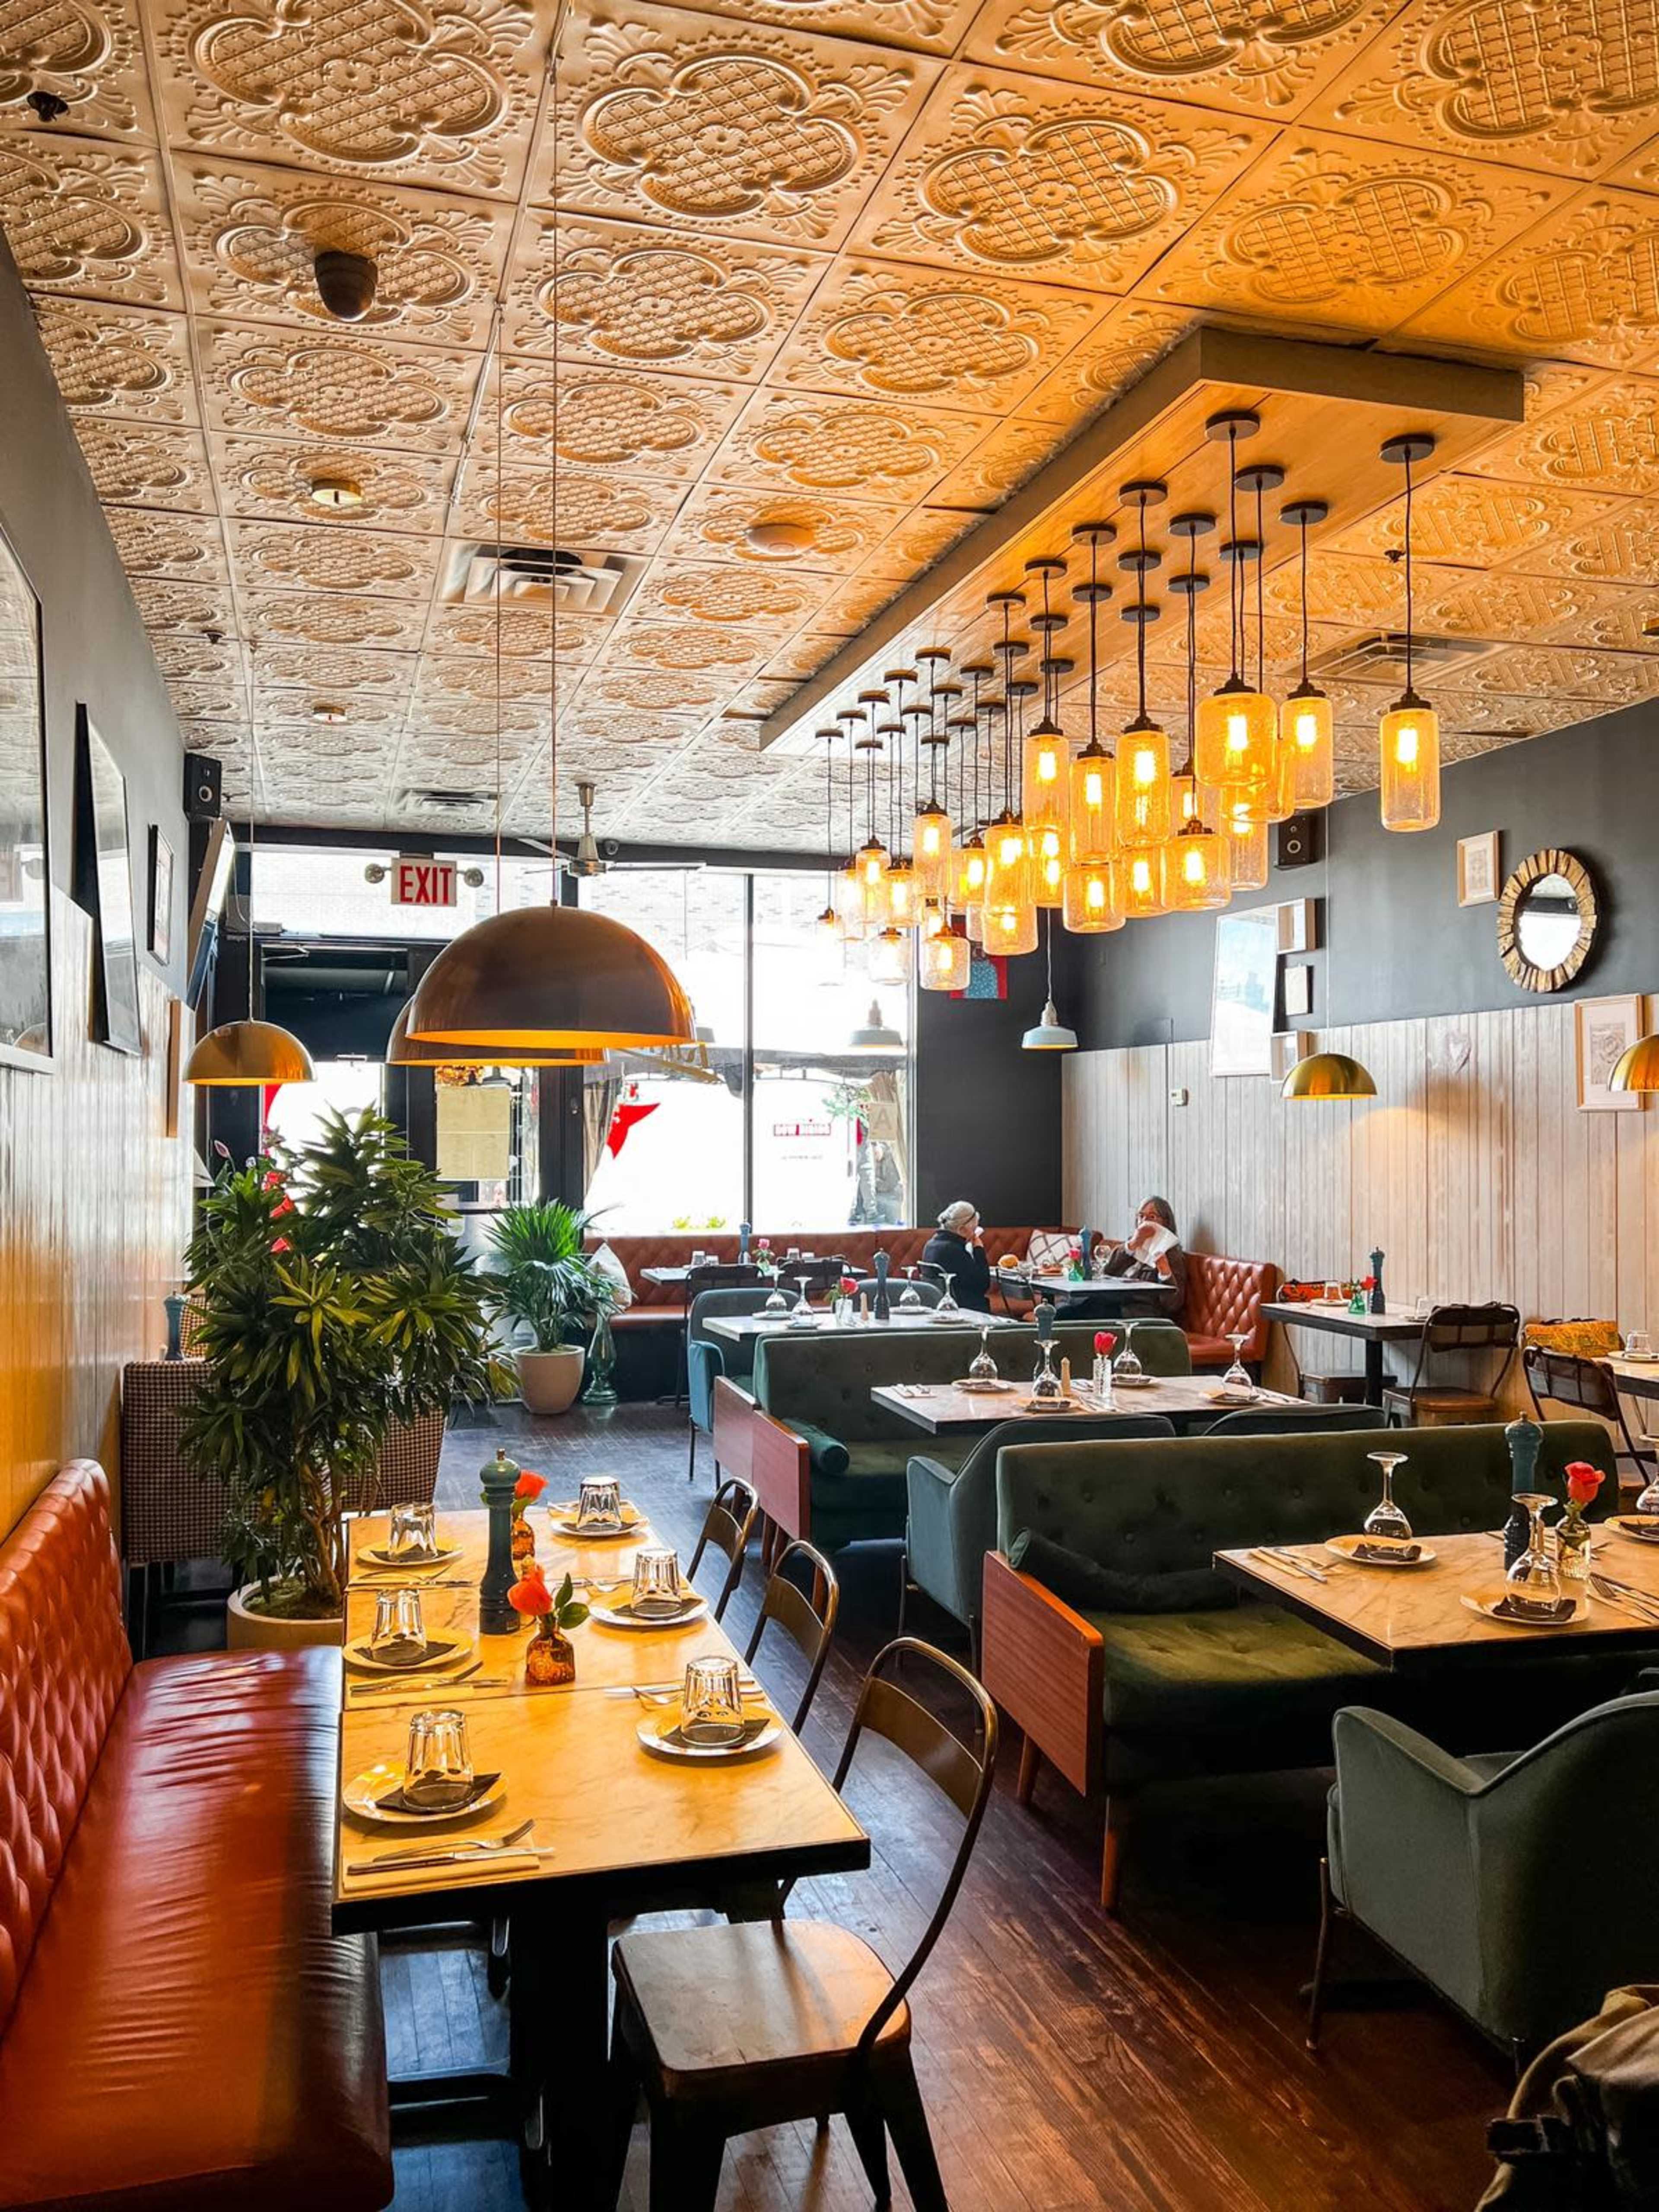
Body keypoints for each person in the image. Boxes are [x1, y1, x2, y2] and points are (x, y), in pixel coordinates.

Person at [1100, 1196, 1187, 1322]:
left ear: (1166, 1223)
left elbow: (1173, 1305)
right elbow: (1106, 1272)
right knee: (1074, 1309)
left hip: (1141, 1314)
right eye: (1141, 1216)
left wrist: (1165, 1273)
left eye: (1152, 1217)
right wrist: (1131, 1245)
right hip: (1116, 1304)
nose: (1145, 1222)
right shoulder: (1132, 1245)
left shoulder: (1172, 1254)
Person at [922, 1200, 991, 1313]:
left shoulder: (930, 1245)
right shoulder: (953, 1251)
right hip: (965, 1311)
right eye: (974, 1230)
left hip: (938, 1307)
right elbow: (983, 1285)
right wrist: (979, 1250)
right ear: (962, 1230)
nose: (974, 1234)